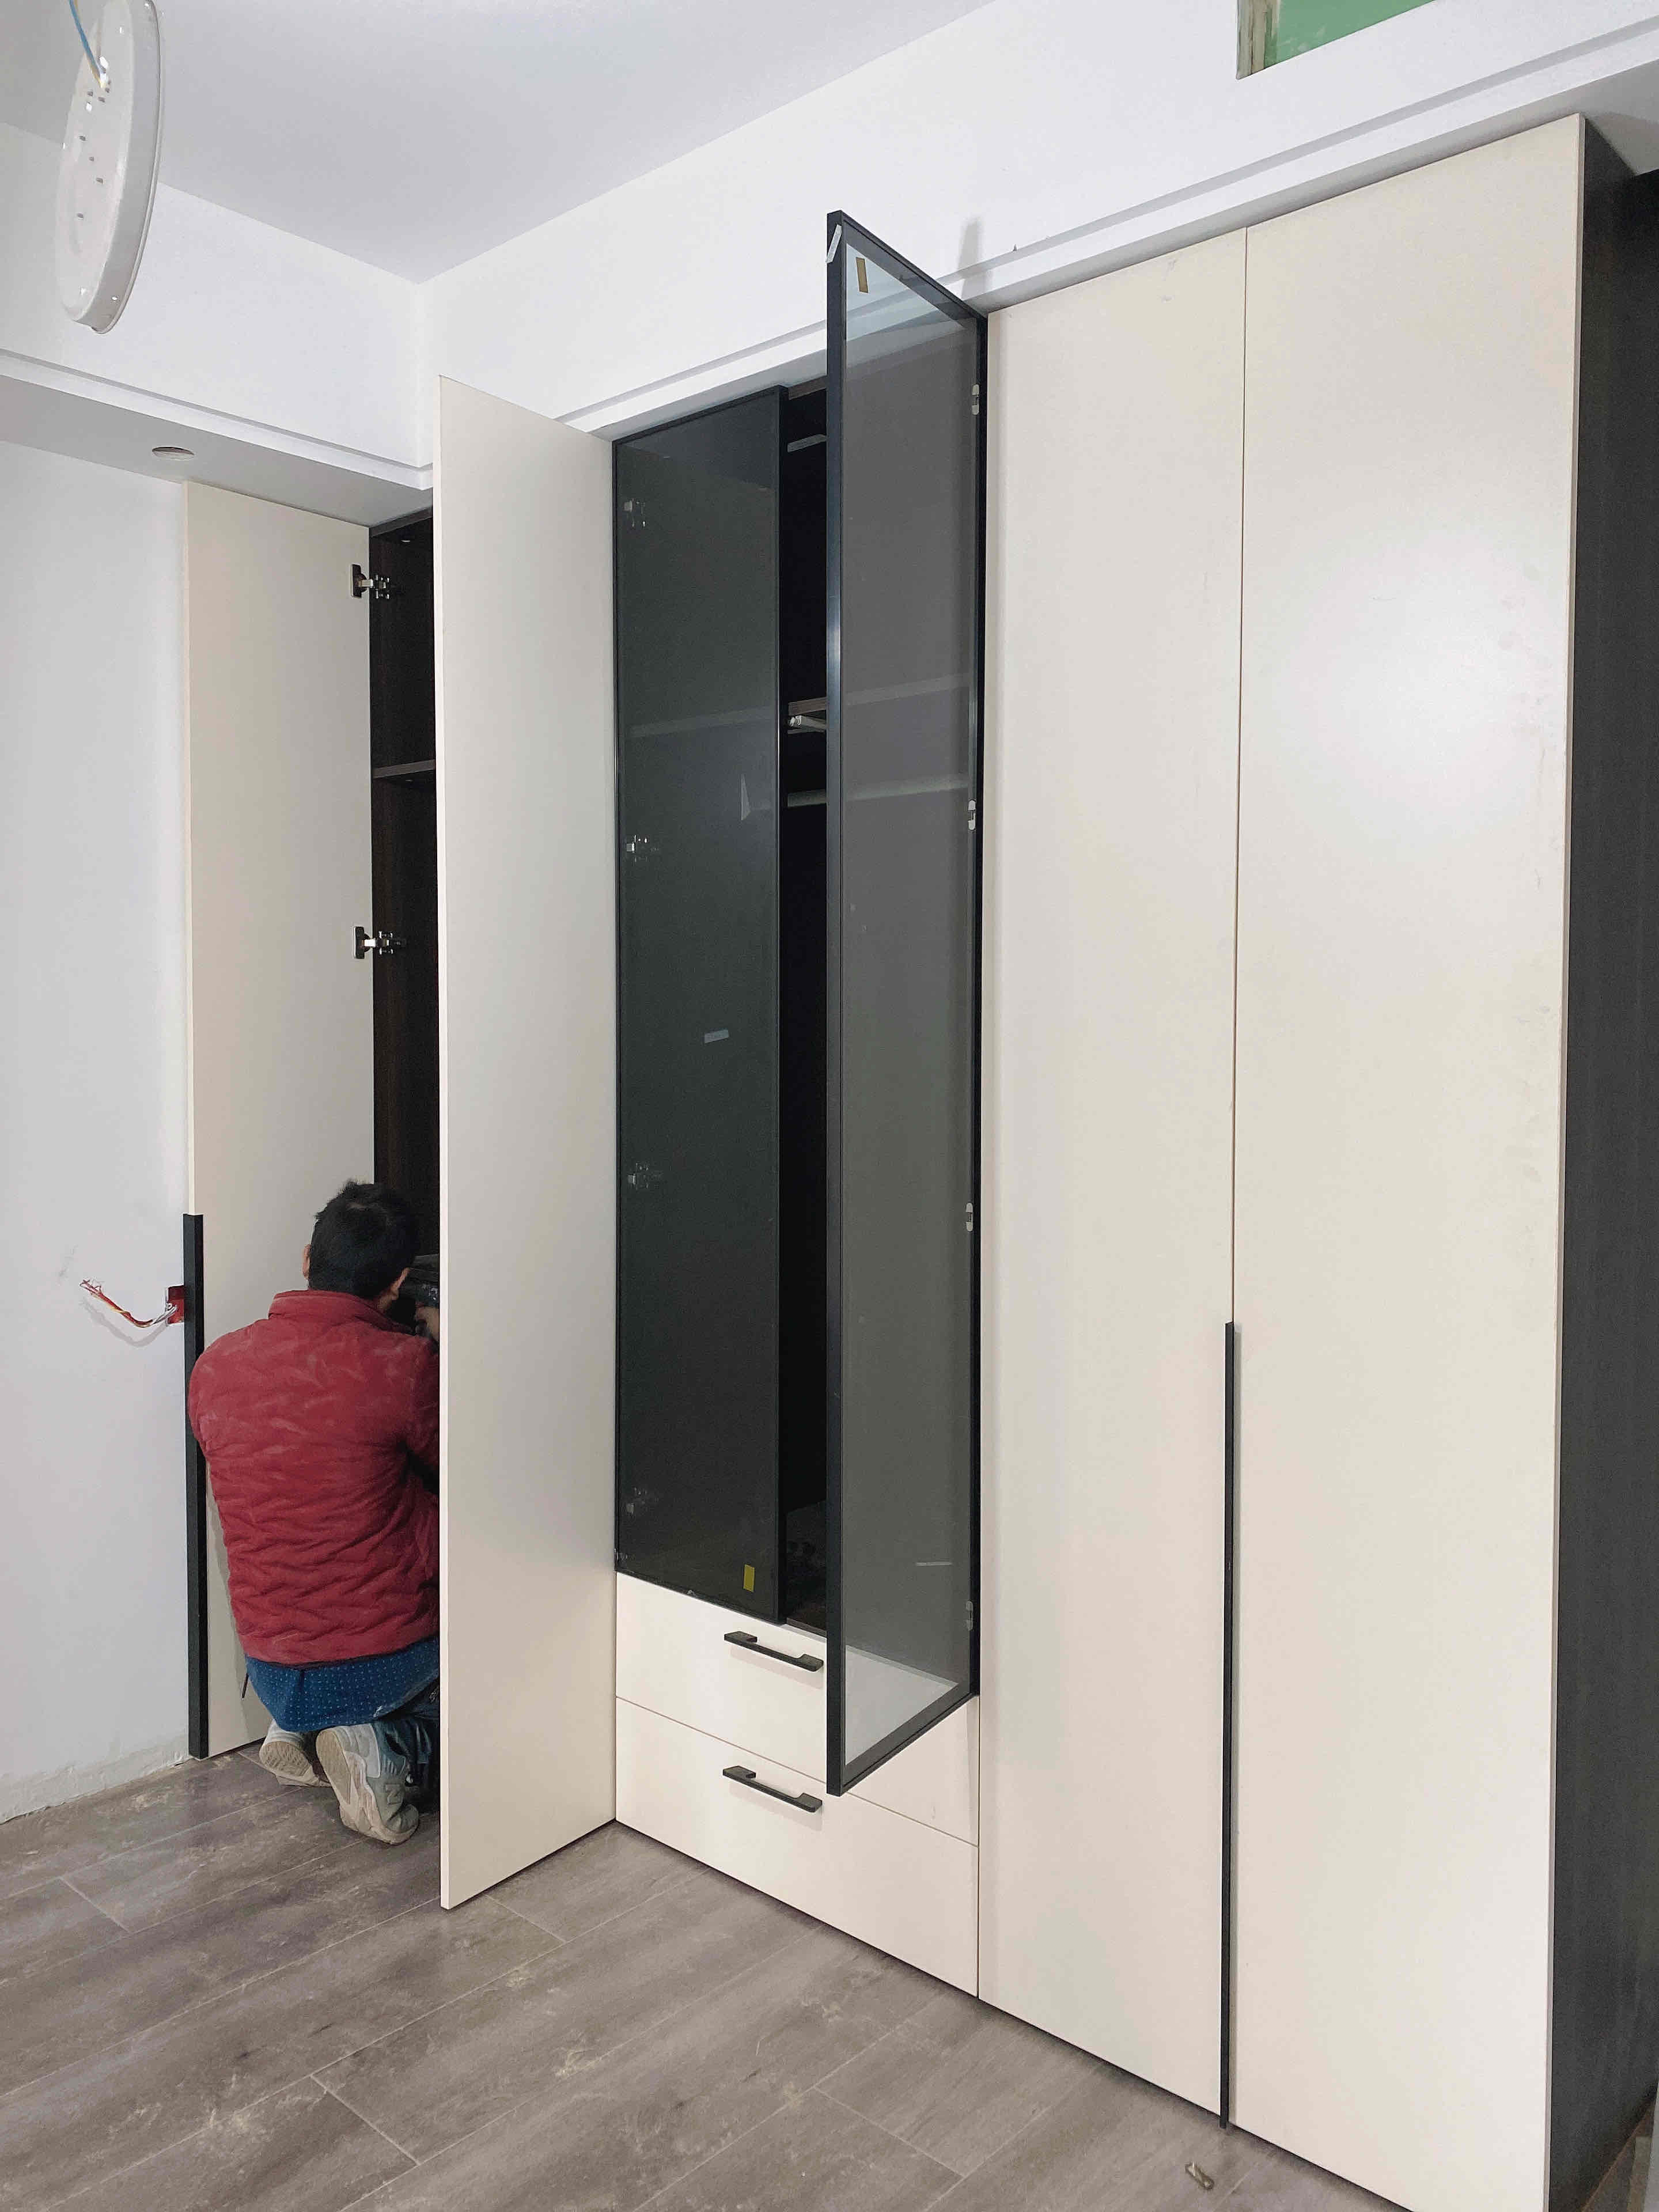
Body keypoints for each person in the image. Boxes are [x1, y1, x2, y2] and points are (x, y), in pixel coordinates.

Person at [188, 1181, 440, 1844]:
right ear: (400, 1281)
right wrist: (445, 1344)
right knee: (500, 1699)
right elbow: (475, 1470)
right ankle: (385, 1747)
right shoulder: (402, 1366)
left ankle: (303, 1727)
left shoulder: (215, 1366)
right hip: (380, 1659)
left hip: (271, 1665)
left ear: (307, 1259)